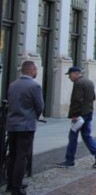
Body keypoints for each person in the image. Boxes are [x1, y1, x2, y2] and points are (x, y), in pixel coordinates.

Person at [6, 61, 44, 195]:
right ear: (32, 70)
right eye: (36, 70)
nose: (37, 72)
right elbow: (39, 106)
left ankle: (10, 183)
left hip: (12, 124)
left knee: (12, 155)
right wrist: (35, 117)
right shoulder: (34, 86)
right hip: (26, 125)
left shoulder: (13, 85)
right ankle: (17, 186)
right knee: (22, 157)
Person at [56, 66, 96, 169]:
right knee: (86, 135)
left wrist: (75, 115)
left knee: (73, 136)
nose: (69, 78)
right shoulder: (89, 82)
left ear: (75, 73)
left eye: (70, 75)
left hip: (80, 115)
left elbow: (77, 100)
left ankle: (69, 160)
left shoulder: (78, 83)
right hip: (88, 112)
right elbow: (93, 97)